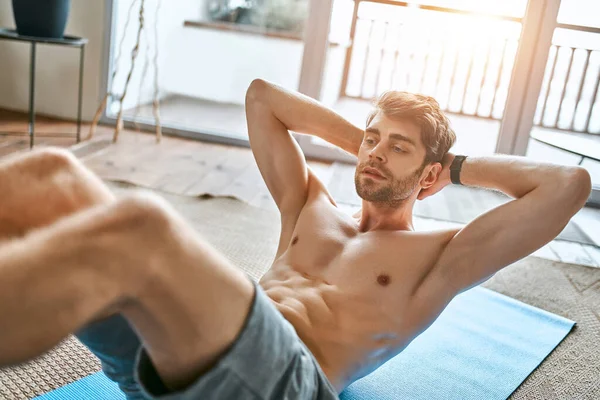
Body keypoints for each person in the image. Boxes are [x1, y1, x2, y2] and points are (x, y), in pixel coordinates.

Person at [0, 79, 591, 400]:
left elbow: (567, 185)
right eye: (372, 138)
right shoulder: (308, 204)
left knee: (144, 231)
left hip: (284, 386)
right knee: (52, 178)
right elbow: (263, 99)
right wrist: (370, 143)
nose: (377, 152)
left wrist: (448, 164)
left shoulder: (440, 258)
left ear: (430, 176)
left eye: (398, 147)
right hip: (177, 361)